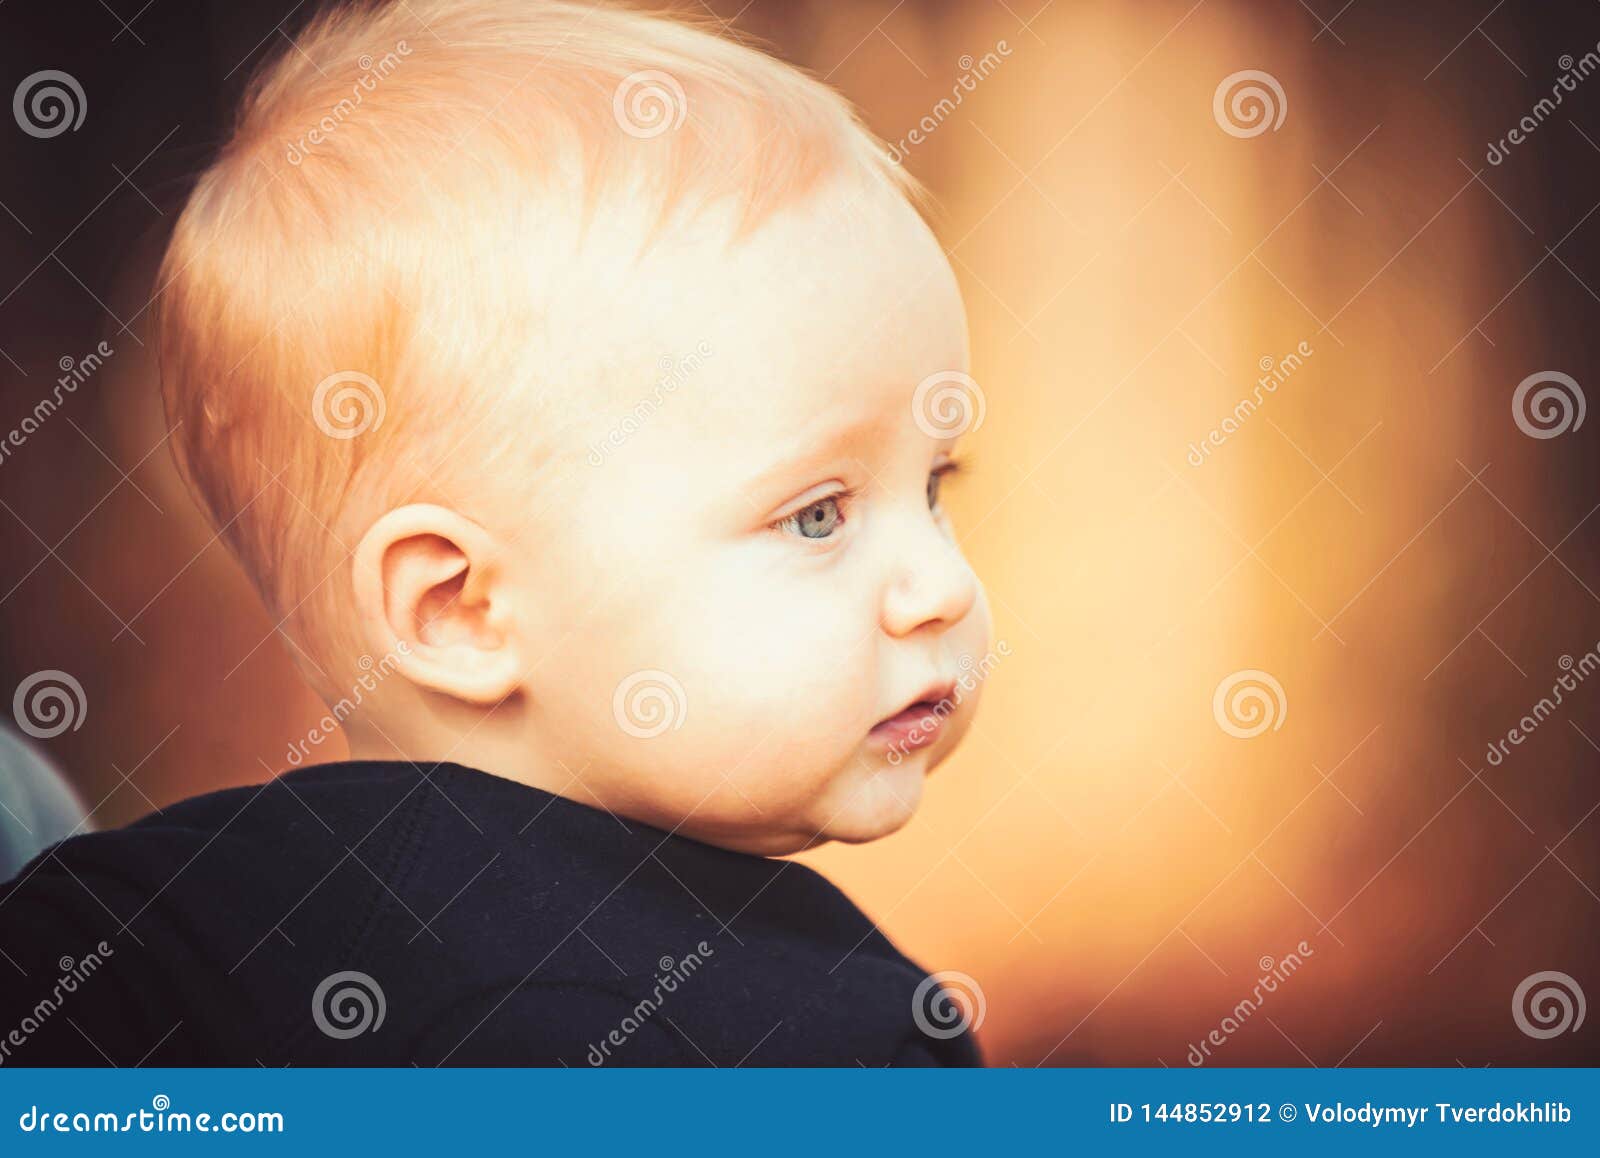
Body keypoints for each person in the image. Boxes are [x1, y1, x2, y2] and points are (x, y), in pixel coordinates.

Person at [0, 0, 993, 1065]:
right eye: (816, 514)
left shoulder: (98, 950)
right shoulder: (802, 1037)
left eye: (933, 487)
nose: (939, 586)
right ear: (459, 607)